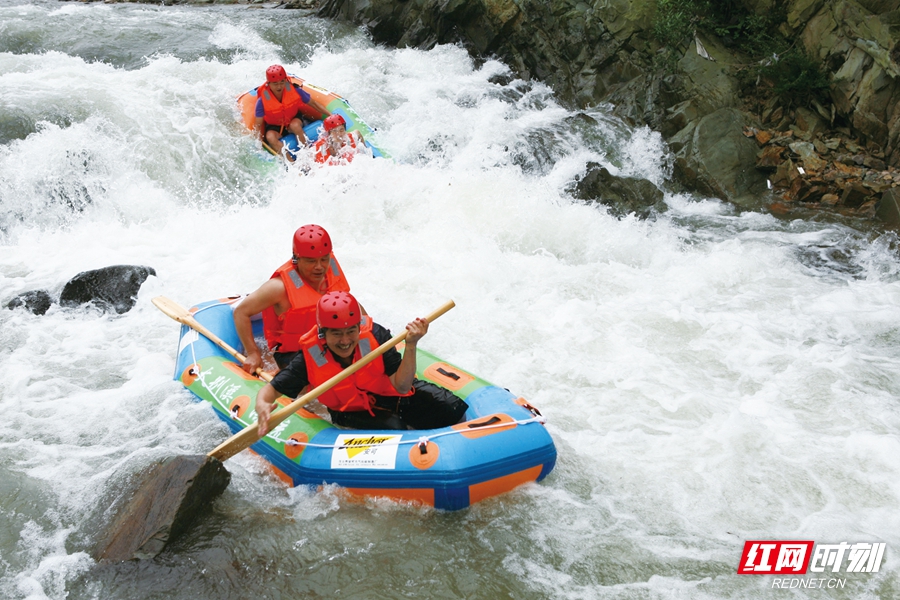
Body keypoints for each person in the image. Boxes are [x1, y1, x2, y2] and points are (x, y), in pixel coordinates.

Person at [255, 292, 468, 434]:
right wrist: (262, 405)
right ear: (323, 333)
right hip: (351, 410)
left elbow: (402, 386)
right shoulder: (310, 357)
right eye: (337, 334)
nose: (345, 340)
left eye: (351, 332)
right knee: (395, 427)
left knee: (451, 407)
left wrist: (411, 345)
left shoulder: (376, 336)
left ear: (359, 327)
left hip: (389, 395)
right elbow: (269, 391)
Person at [233, 224, 356, 373]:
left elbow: (350, 304)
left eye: (324, 259)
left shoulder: (331, 270)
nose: (319, 267)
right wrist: (253, 353)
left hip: (332, 343)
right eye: (311, 261)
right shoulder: (278, 288)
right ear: (297, 259)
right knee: (325, 373)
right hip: (295, 352)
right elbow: (240, 312)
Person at [255, 65, 327, 160]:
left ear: (285, 80)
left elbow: (314, 104)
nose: (279, 86)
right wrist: (258, 144)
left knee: (295, 125)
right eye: (275, 83)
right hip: (275, 126)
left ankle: (307, 155)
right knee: (270, 137)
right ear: (269, 84)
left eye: (282, 82)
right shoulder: (262, 101)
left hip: (293, 118)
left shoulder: (295, 89)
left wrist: (330, 115)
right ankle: (292, 163)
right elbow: (258, 126)